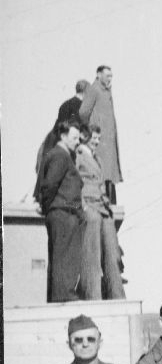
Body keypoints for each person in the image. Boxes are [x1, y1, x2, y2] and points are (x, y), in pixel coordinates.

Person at [36, 120, 85, 302]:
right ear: (63, 136)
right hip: (62, 214)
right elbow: (49, 186)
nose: (78, 142)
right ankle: (64, 295)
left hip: (64, 211)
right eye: (74, 138)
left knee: (62, 256)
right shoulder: (60, 156)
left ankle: (60, 295)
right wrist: (51, 207)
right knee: (65, 257)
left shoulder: (62, 155)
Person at [77, 65, 121, 201]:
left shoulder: (106, 91)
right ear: (98, 75)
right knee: (103, 172)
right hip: (100, 141)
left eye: (111, 76)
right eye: (107, 75)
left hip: (108, 142)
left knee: (109, 176)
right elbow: (83, 112)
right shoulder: (94, 89)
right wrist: (93, 127)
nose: (110, 78)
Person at [72, 125, 105, 300]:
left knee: (104, 253)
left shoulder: (96, 158)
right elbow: (74, 180)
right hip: (89, 205)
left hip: (100, 206)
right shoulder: (79, 154)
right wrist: (82, 204)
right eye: (94, 138)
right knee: (91, 253)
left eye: (99, 139)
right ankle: (92, 295)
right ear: (86, 137)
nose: (97, 142)